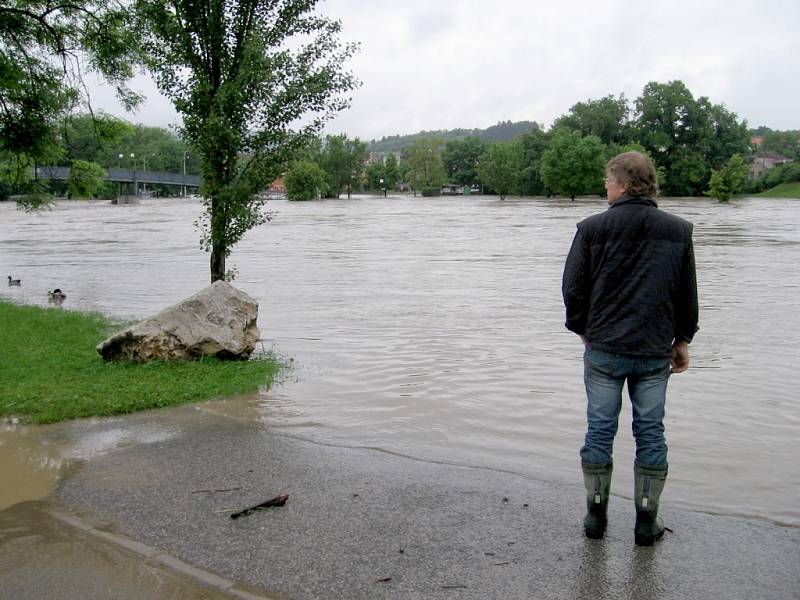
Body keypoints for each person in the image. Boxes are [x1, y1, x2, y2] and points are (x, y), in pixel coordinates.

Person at [561, 151, 698, 546]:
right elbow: (686, 293)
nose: (604, 187)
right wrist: (683, 339)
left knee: (600, 430)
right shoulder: (678, 230)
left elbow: (572, 289)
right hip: (654, 350)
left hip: (604, 347)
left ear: (622, 183)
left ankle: (595, 518)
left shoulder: (591, 229)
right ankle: (645, 521)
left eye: (607, 180)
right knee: (651, 432)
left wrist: (583, 330)